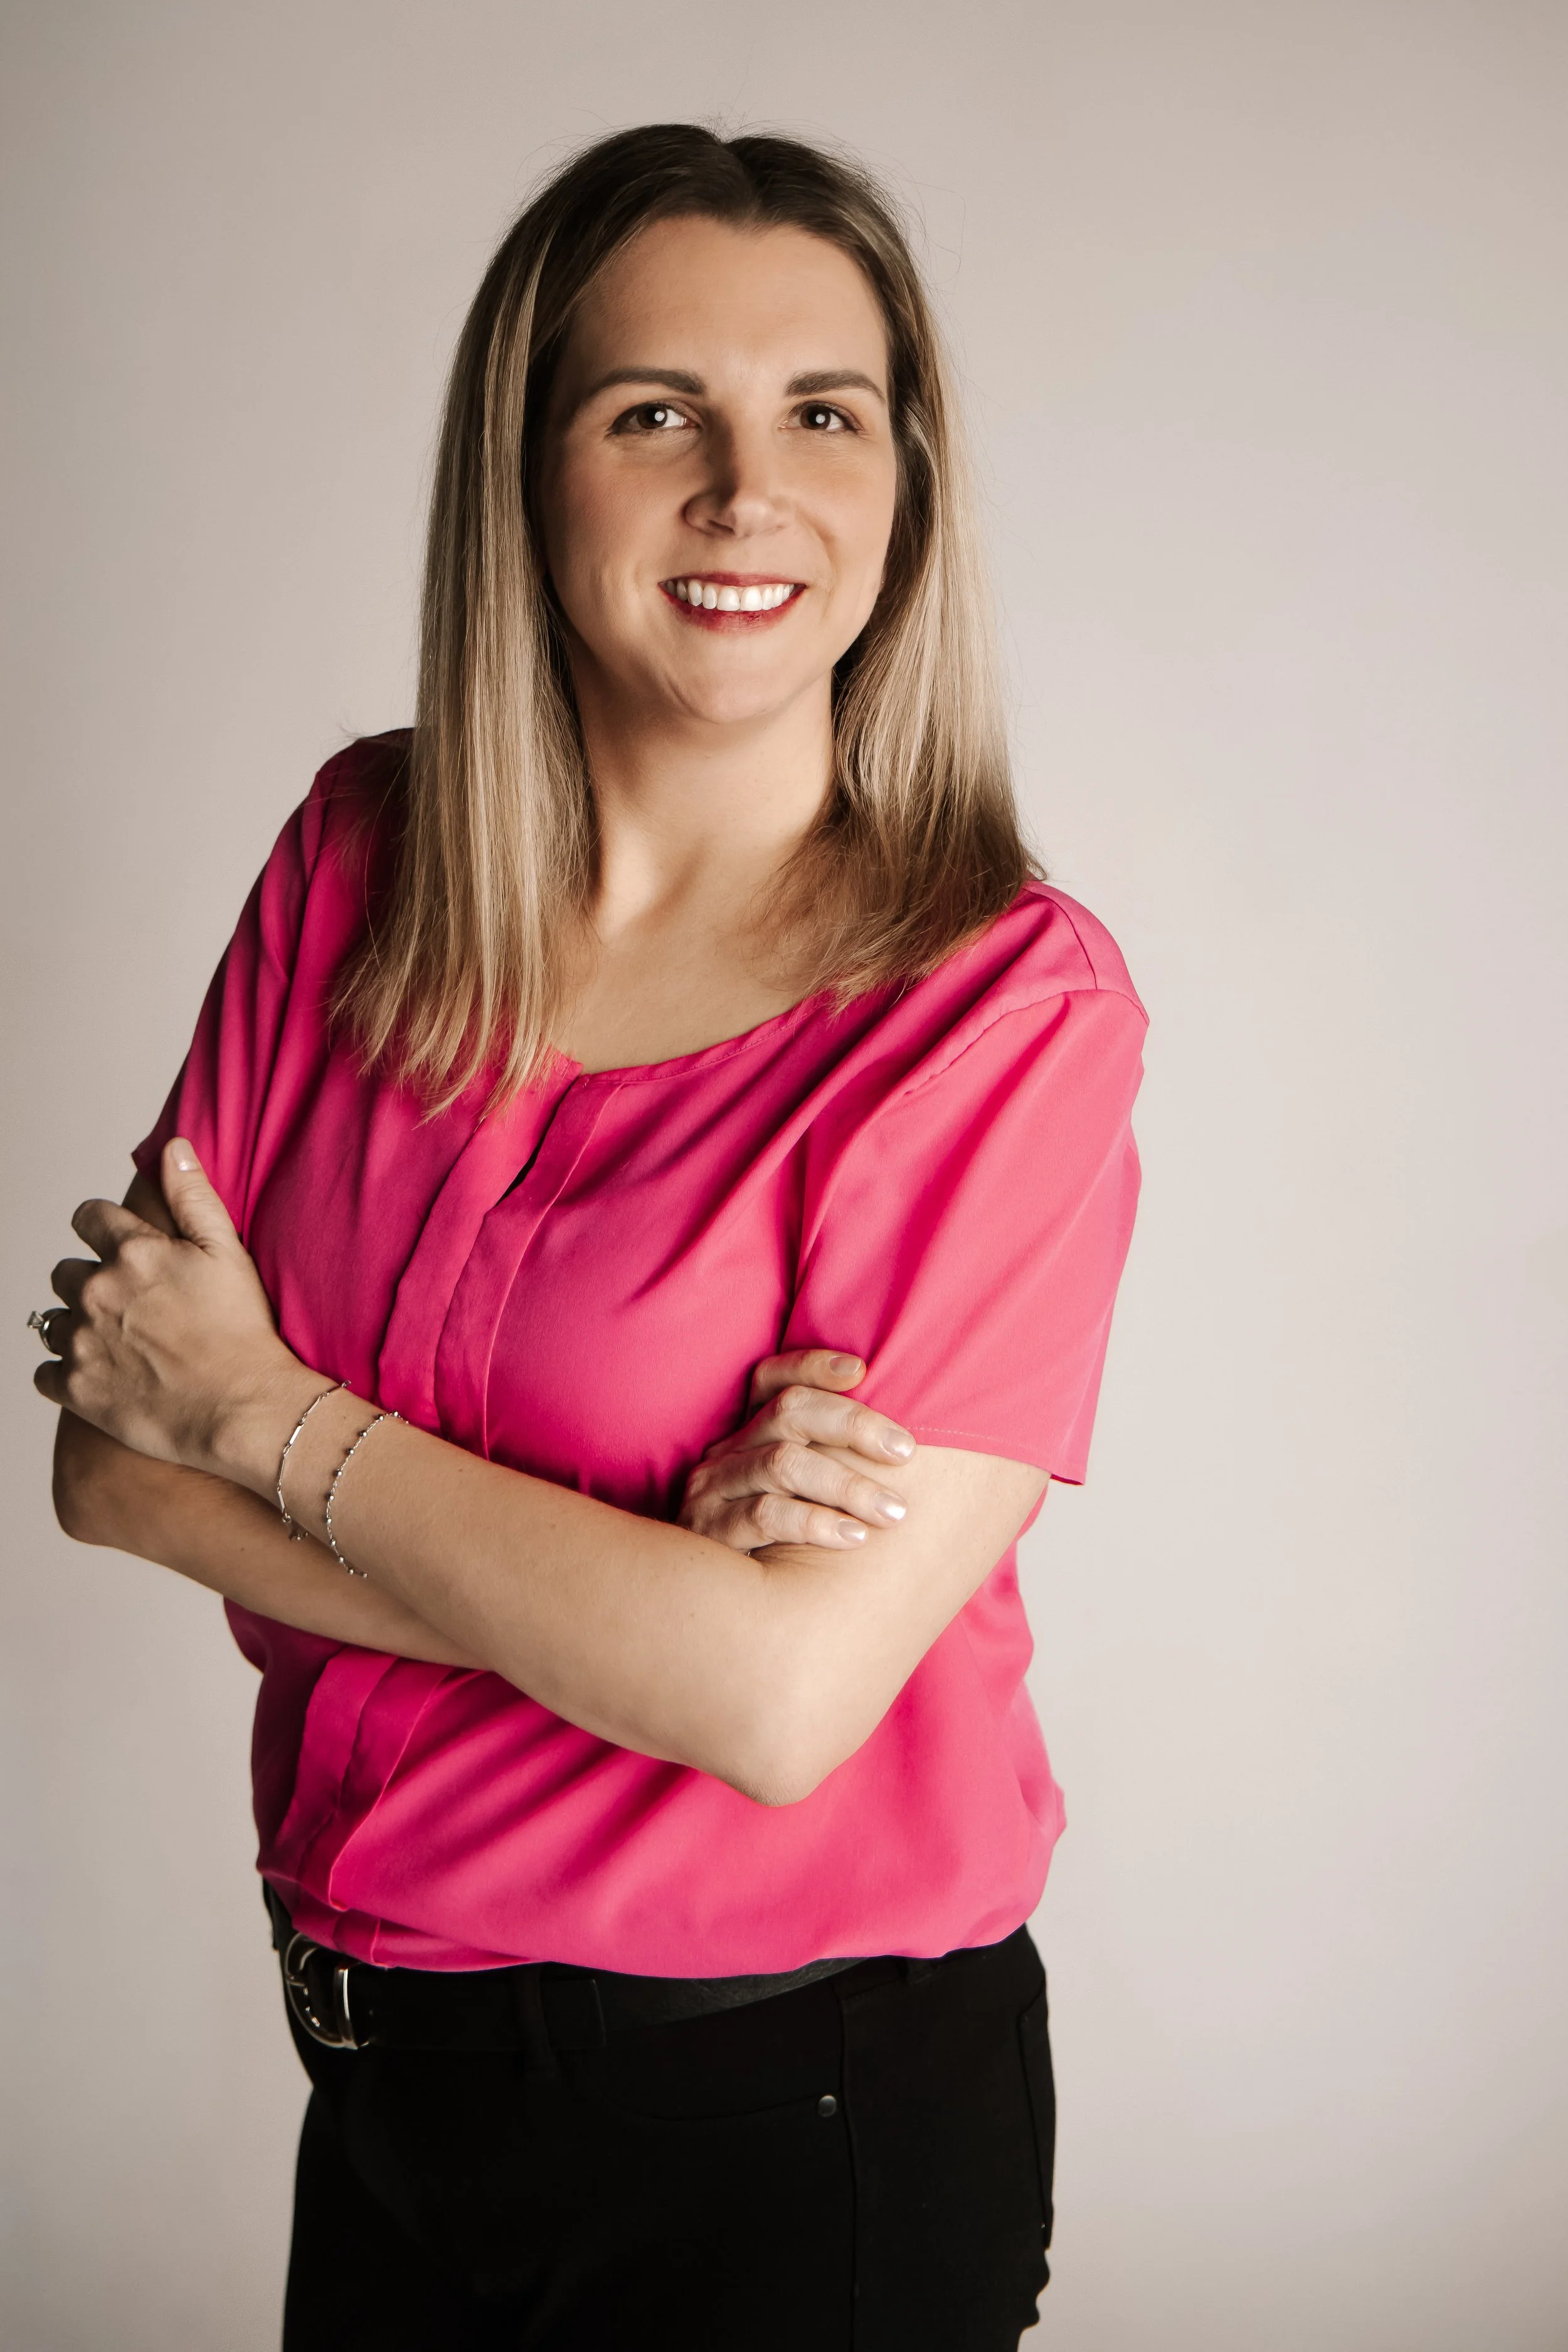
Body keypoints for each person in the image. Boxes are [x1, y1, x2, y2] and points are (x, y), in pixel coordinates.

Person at [33, 124, 1145, 2350]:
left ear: (903, 484)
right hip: (377, 2084)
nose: (749, 493)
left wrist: (269, 1411)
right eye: (657, 415)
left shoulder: (1003, 1011)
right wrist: (633, 1571)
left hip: (787, 2117)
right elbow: (110, 1463)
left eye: (822, 415)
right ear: (525, 472)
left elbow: (770, 1698)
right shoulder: (358, 853)